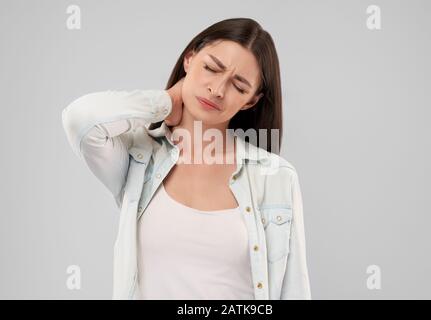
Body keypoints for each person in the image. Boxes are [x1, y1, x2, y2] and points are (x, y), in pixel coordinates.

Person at [62, 17, 311, 300]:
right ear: (189, 59)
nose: (217, 90)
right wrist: (165, 103)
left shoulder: (275, 175)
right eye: (211, 68)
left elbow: (294, 292)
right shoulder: (138, 158)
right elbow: (79, 119)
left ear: (251, 101)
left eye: (238, 87)